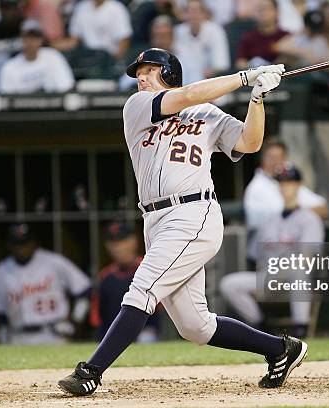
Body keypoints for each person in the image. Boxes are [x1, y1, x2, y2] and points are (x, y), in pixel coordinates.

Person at [58, 48, 308, 396]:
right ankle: (280, 349)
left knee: (142, 288)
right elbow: (187, 94)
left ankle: (92, 371)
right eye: (138, 72)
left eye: (148, 69)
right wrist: (244, 77)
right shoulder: (137, 106)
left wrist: (257, 98)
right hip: (155, 219)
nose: (141, 77)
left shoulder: (207, 114)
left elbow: (250, 143)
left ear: (169, 71)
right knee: (195, 326)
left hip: (194, 213)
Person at [221, 165, 324, 339]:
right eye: (282, 183)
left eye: (289, 182)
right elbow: (257, 257)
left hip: (295, 278)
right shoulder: (269, 221)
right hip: (269, 278)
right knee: (229, 284)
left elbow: (308, 259)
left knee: (299, 272)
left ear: (298, 185)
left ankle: (301, 328)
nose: (285, 187)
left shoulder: (310, 219)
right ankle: (261, 327)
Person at [0, 223, 91, 344]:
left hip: (53, 334)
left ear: (34, 242)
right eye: (17, 244)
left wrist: (77, 321)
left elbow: (84, 290)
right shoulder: (2, 270)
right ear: (9, 245)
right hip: (17, 336)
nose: (22, 248)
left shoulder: (53, 262)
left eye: (25, 243)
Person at [244, 139, 329, 261]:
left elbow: (323, 208)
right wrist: (299, 210)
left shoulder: (292, 186)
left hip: (294, 262)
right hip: (266, 255)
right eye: (271, 157)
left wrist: (298, 211)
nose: (276, 162)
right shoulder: (256, 188)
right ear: (263, 159)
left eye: (279, 157)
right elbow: (281, 212)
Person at [89, 222, 160, 343]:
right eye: (113, 243)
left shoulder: (149, 268)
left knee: (146, 338)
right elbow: (97, 317)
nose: (118, 247)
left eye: (122, 241)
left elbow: (162, 309)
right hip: (113, 332)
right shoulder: (105, 277)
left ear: (134, 241)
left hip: (145, 331)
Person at [0, 19, 74, 94]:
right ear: (22, 39)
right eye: (28, 37)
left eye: (35, 37)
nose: (32, 41)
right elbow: (6, 99)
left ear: (41, 39)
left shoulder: (54, 57)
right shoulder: (9, 67)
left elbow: (66, 88)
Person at [174, 0, 230, 82]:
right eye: (190, 11)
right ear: (185, 14)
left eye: (197, 11)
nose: (193, 15)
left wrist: (211, 71)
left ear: (204, 13)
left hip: (209, 83)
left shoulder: (216, 30)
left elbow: (221, 64)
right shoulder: (177, 31)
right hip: (183, 85)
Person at [55, 0, 132, 60]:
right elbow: (73, 41)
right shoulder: (81, 8)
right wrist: (51, 46)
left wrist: (115, 63)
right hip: (87, 58)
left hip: (109, 57)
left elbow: (124, 41)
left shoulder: (117, 9)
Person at [235, 0, 289, 70]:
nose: (263, 13)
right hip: (255, 77)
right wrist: (251, 66)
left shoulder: (286, 36)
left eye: (267, 9)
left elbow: (292, 60)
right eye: (260, 9)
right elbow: (240, 62)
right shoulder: (248, 37)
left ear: (276, 12)